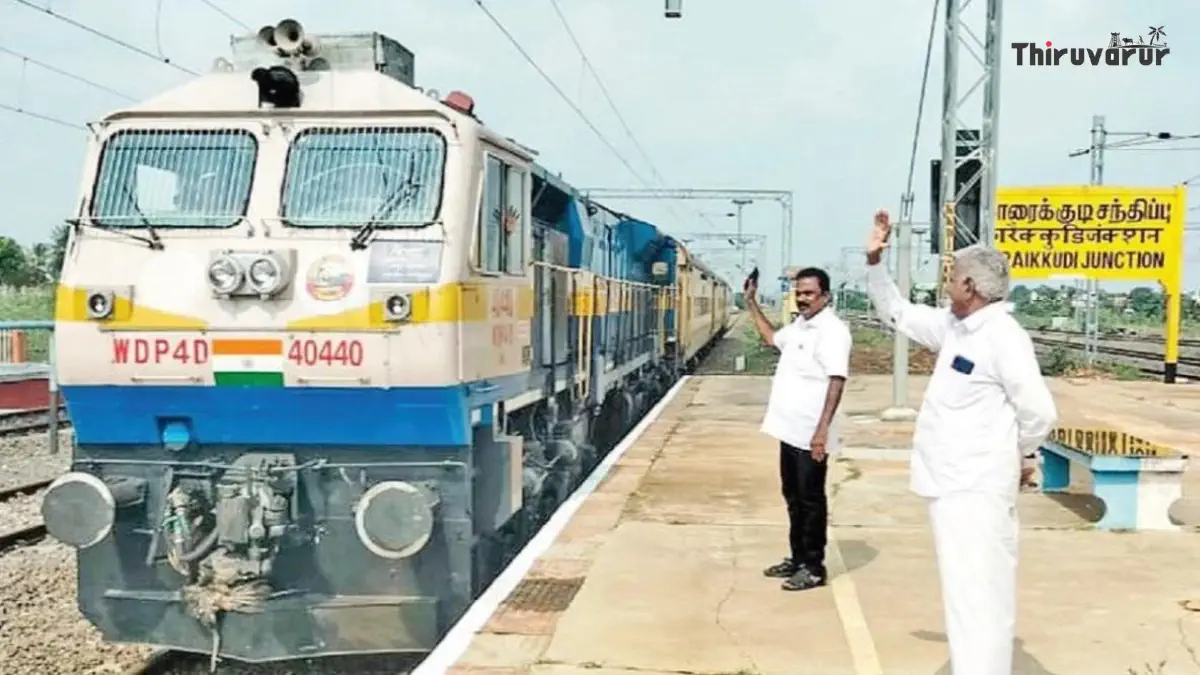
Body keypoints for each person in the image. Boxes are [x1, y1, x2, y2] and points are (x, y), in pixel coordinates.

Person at [863, 209, 1058, 675]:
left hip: (977, 488)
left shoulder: (1003, 337)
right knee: (968, 595)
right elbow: (898, 313)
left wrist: (1019, 454)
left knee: (978, 596)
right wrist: (875, 263)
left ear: (970, 286)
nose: (946, 286)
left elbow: (1039, 411)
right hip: (952, 485)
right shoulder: (957, 328)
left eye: (951, 278)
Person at [744, 267, 851, 591]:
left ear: (825, 296)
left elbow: (836, 380)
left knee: (811, 499)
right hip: (789, 429)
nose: (803, 299)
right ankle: (797, 557)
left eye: (809, 293)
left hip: (811, 432)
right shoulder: (800, 326)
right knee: (793, 496)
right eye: (799, 293)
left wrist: (822, 431)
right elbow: (770, 338)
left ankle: (813, 567)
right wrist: (751, 302)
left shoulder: (832, 331)